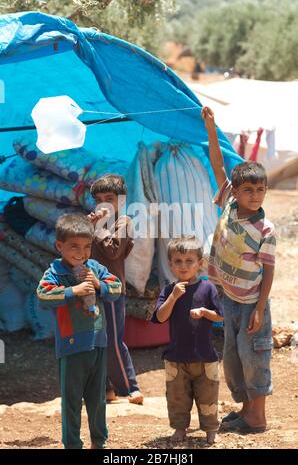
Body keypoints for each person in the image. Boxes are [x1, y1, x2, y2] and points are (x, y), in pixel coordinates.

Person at [202, 106, 276, 434]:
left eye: (260, 190)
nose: (255, 195)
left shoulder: (266, 229)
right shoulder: (230, 205)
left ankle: (257, 418)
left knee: (254, 355)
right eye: (248, 190)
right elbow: (217, 164)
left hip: (251, 303)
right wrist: (210, 126)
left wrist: (260, 308)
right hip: (230, 297)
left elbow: (269, 272)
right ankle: (245, 411)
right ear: (236, 191)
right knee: (234, 357)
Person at [37, 214, 122, 449]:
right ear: (59, 246)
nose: (81, 252)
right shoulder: (55, 271)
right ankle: (72, 444)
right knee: (72, 400)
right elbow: (43, 294)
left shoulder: (94, 268)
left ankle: (99, 442)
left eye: (86, 247)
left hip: (98, 342)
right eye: (74, 246)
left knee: (98, 400)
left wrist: (98, 285)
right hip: (71, 345)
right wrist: (72, 291)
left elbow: (116, 288)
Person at [151, 237, 223, 445]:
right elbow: (160, 317)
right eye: (178, 261)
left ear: (200, 264)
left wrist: (205, 312)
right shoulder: (168, 290)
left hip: (205, 356)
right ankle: (180, 429)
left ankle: (210, 430)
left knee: (208, 396)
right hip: (176, 357)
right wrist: (173, 297)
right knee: (177, 398)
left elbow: (220, 316)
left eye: (189, 260)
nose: (184, 266)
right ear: (171, 264)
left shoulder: (207, 288)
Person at [89, 174, 143, 405]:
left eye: (108, 199)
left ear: (121, 201)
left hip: (111, 289)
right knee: (94, 339)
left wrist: (97, 228)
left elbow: (114, 252)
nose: (103, 204)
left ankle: (129, 387)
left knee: (112, 339)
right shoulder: (90, 223)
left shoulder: (125, 222)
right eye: (98, 199)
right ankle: (105, 388)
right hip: (90, 288)